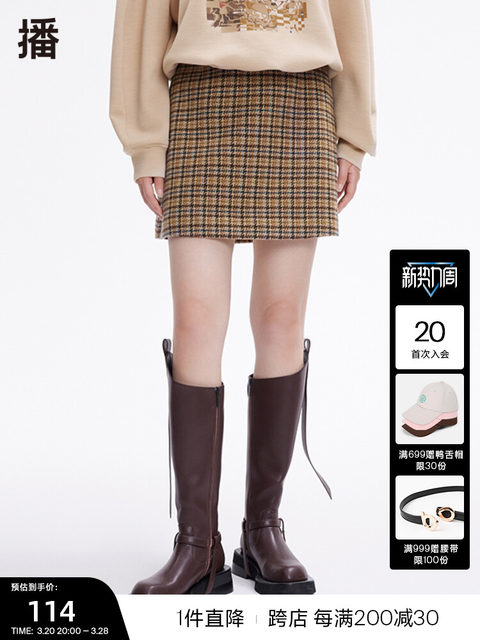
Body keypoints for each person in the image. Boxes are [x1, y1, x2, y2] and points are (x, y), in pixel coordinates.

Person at [109, 0, 376, 595]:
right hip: (198, 103)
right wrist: (145, 143)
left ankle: (262, 531)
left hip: (301, 103)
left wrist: (352, 136)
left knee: (281, 319)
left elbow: (350, 16)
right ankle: (197, 545)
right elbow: (141, 21)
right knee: (196, 319)